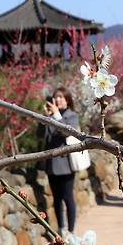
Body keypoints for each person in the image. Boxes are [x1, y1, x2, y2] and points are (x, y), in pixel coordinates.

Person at [43, 87, 79, 235]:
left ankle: (70, 231)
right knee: (56, 199)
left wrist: (56, 115)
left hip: (66, 164)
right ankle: (61, 228)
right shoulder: (51, 116)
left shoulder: (72, 116)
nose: (57, 100)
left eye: (61, 97)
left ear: (68, 100)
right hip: (51, 164)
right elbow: (40, 135)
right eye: (55, 97)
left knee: (68, 197)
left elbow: (66, 132)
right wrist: (44, 118)